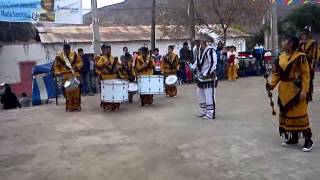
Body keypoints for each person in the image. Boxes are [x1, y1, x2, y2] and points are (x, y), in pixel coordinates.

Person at [266, 35, 313, 152]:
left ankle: (308, 140)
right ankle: (294, 138)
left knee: (300, 114)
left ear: (291, 43)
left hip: (296, 91)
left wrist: (304, 90)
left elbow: (306, 75)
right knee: (287, 115)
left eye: (284, 41)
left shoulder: (301, 57)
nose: (282, 43)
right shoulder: (281, 57)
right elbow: (277, 74)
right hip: (284, 91)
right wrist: (271, 85)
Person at [192, 34, 217, 119]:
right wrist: (193, 67)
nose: (197, 43)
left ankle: (210, 113)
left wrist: (206, 73)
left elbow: (213, 63)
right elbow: (198, 61)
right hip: (200, 77)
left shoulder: (210, 50)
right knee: (200, 94)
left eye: (198, 41)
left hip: (209, 77)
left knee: (209, 95)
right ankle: (204, 111)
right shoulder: (199, 50)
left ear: (203, 42)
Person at [53, 44, 83, 112]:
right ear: (63, 49)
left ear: (69, 49)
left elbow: (81, 62)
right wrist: (58, 72)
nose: (66, 51)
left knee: (76, 92)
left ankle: (77, 106)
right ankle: (69, 107)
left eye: (68, 49)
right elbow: (56, 67)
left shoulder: (75, 54)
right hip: (65, 77)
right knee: (68, 93)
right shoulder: (59, 57)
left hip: (74, 75)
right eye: (65, 49)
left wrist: (77, 66)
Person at [95, 45, 120, 111]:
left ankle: (115, 105)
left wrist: (116, 68)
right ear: (104, 50)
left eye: (110, 50)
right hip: (105, 78)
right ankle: (107, 106)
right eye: (107, 50)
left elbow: (118, 66)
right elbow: (97, 65)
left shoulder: (113, 58)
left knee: (114, 92)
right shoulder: (101, 58)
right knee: (106, 93)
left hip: (113, 78)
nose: (108, 51)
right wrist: (103, 64)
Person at [299, 26, 318, 101]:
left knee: (309, 79)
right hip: (301, 63)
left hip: (309, 63)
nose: (302, 36)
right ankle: (302, 92)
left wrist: (313, 63)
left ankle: (309, 94)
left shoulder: (313, 42)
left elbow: (315, 54)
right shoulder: (300, 43)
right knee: (301, 79)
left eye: (304, 35)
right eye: (301, 35)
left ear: (307, 35)